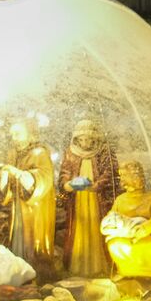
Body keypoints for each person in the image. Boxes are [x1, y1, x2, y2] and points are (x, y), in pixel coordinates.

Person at [58, 118, 119, 276]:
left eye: (89, 139)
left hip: (97, 200)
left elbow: (110, 173)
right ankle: (78, 266)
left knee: (96, 228)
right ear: (77, 139)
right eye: (82, 139)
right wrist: (68, 185)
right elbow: (64, 175)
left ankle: (99, 266)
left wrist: (96, 186)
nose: (85, 143)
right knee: (79, 229)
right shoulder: (70, 153)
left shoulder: (104, 152)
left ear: (95, 138)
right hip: (78, 201)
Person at [101, 161, 151, 292]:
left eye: (125, 176)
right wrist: (112, 226)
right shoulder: (121, 200)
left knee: (149, 247)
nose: (123, 179)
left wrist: (143, 229)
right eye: (122, 176)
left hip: (145, 235)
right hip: (125, 234)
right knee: (115, 244)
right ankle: (126, 272)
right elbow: (113, 216)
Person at [0, 118, 56, 267]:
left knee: (32, 239)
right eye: (12, 134)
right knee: (18, 235)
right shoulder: (13, 154)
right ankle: (18, 266)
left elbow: (45, 178)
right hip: (18, 206)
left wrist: (20, 174)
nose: (14, 138)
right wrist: (4, 176)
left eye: (18, 133)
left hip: (35, 208)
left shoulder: (40, 153)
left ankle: (35, 267)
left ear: (30, 134)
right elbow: (8, 184)